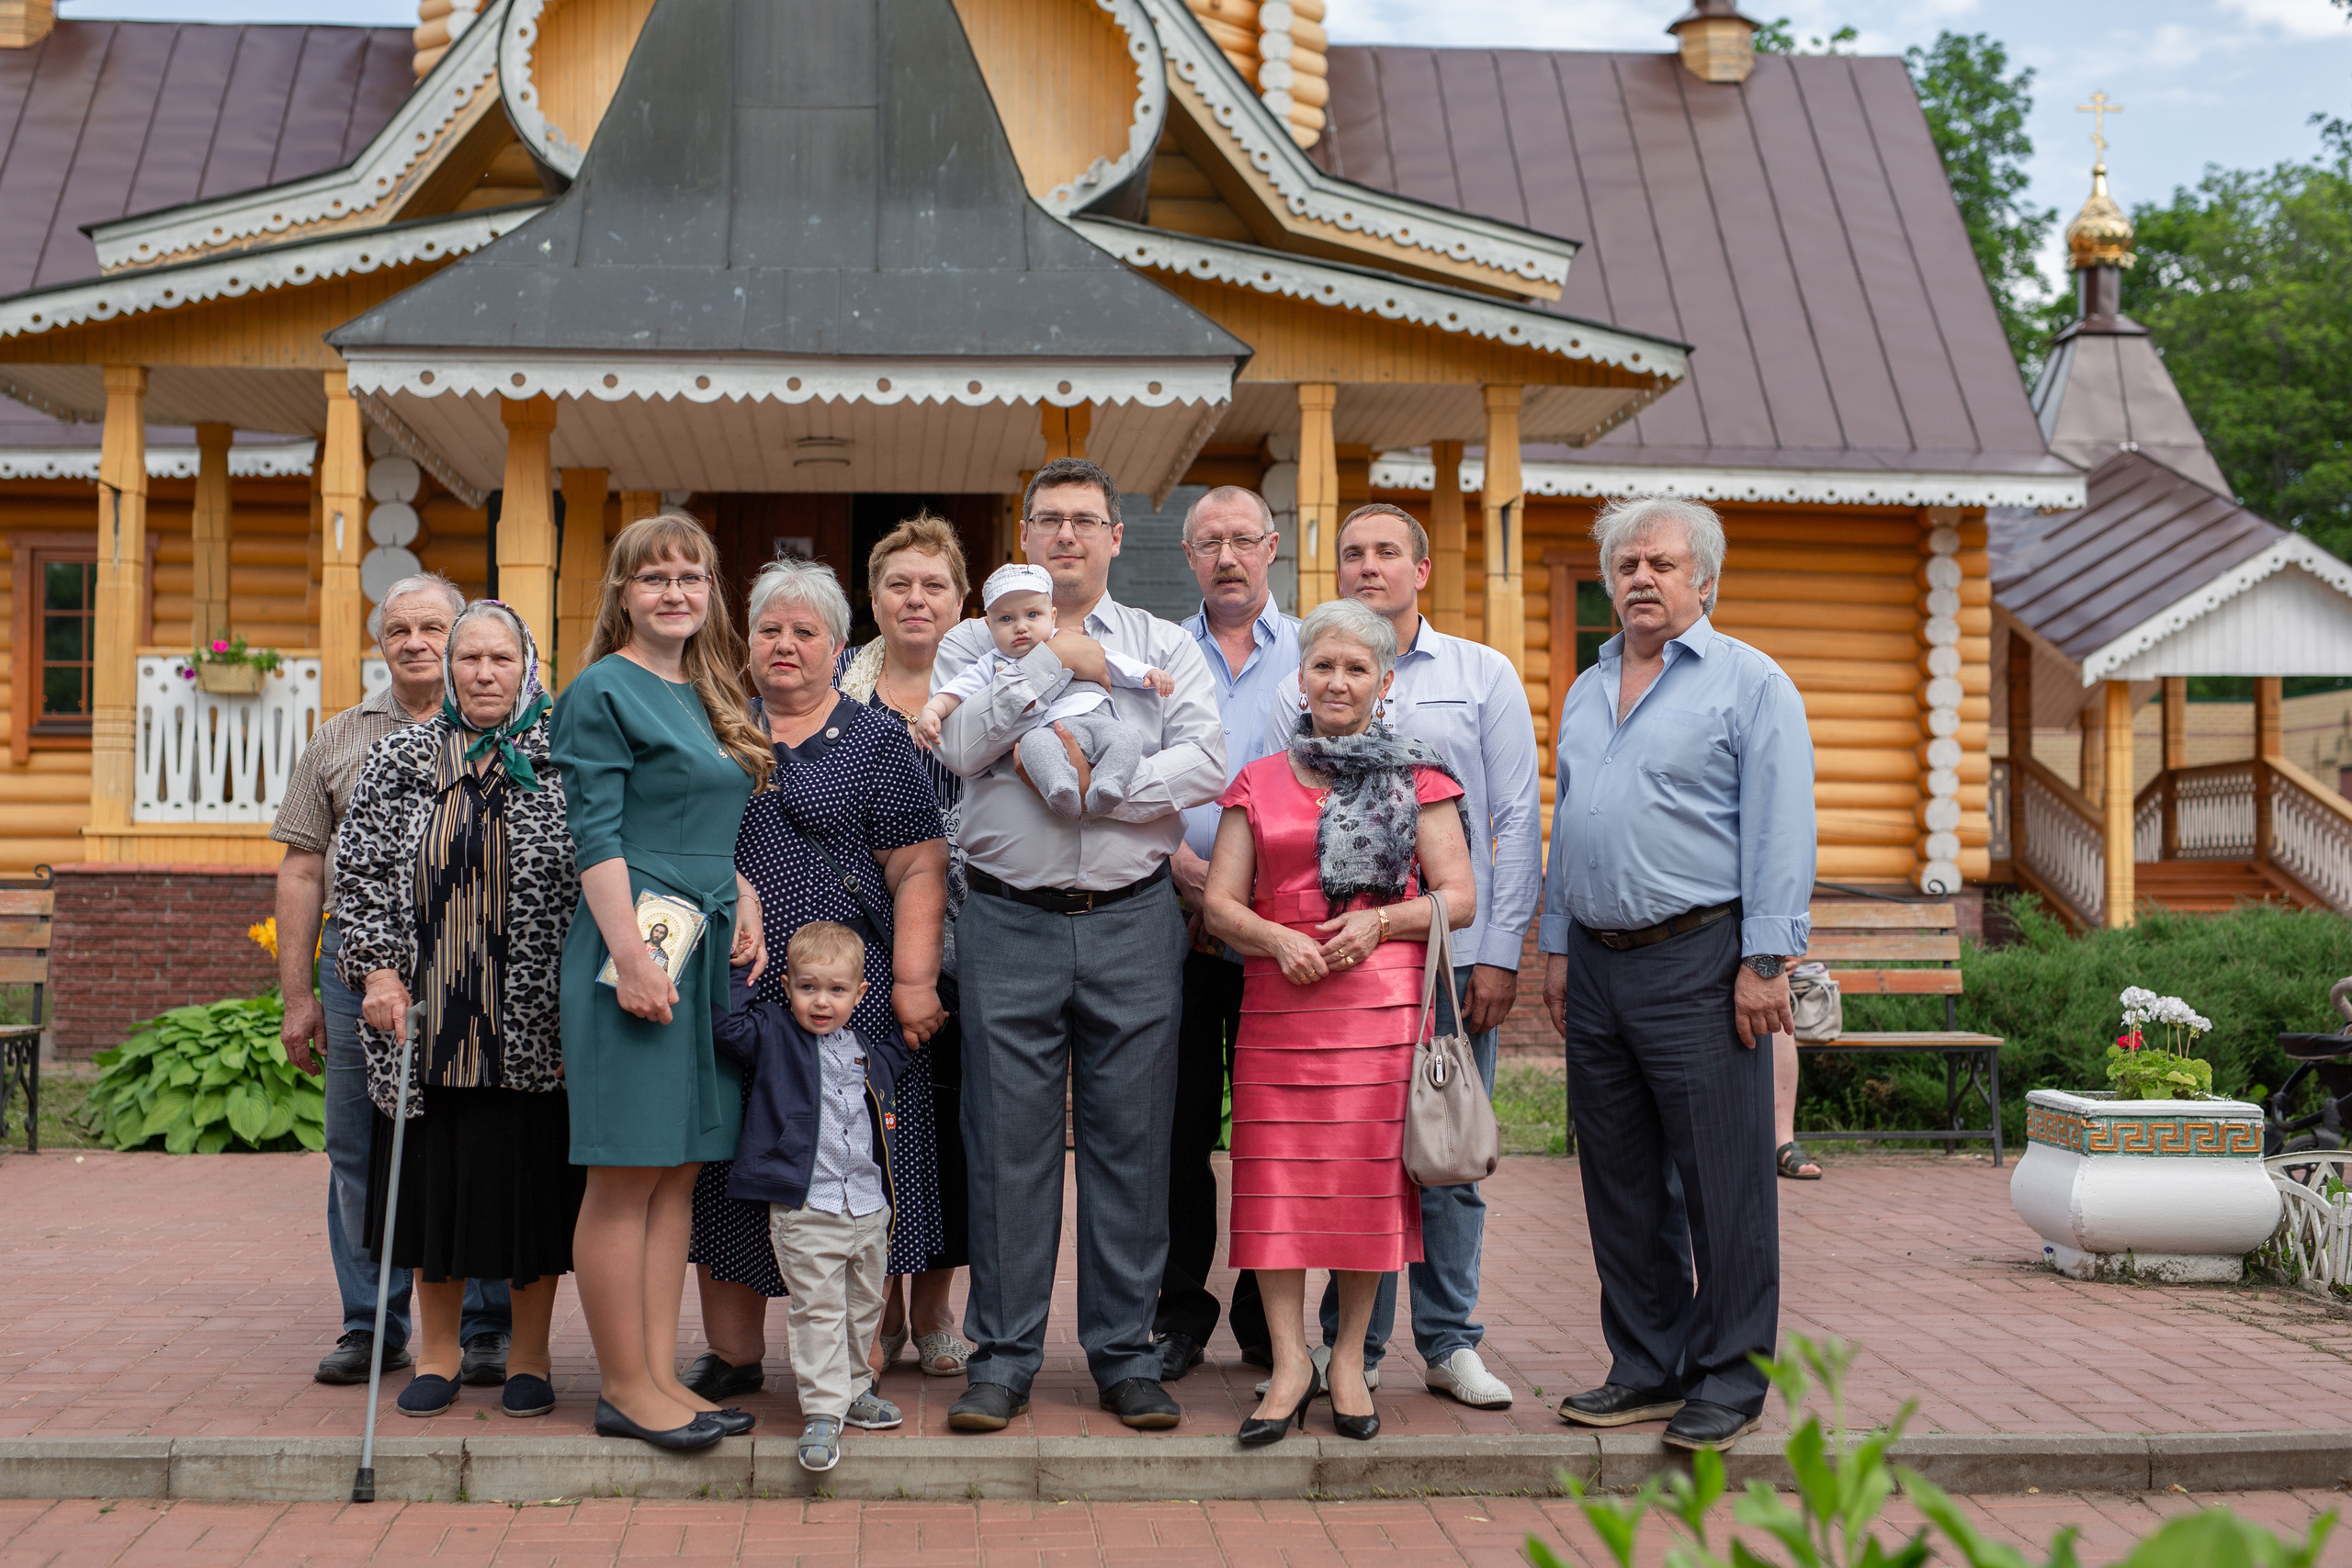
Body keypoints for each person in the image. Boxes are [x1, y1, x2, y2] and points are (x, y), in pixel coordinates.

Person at [932, 456, 1224, 1434]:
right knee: (1006, 1144)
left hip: (1134, 916)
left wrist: (1111, 801)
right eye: (1047, 521)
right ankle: (1004, 1356)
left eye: (1083, 521)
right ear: (1026, 539)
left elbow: (1206, 760)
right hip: (1007, 916)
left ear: (1113, 538)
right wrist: (1053, 666)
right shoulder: (972, 642)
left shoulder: (1158, 645)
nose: (1065, 536)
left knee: (1131, 1142)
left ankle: (1124, 1352)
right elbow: (961, 748)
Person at [1540, 494, 1816, 1454]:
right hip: (1601, 966)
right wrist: (1556, 943)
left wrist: (1765, 962)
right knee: (1617, 1177)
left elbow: (1781, 830)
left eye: (1659, 563)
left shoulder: (1750, 684)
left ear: (1704, 578)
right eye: (1626, 566)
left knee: (1724, 1182)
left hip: (1704, 961)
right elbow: (1569, 822)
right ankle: (1646, 1366)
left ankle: (1729, 1380)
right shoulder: (1588, 685)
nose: (1640, 580)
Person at [1259, 502, 1541, 1410]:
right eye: (1352, 553)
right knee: (1349, 1161)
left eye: (1386, 552)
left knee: (1441, 1147)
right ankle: (1360, 1350)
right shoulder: (1293, 684)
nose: (1368, 564)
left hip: (1445, 959)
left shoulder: (1479, 673)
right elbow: (1278, 820)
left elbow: (1511, 816)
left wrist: (1496, 951)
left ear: (1421, 570)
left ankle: (1451, 1341)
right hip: (1332, 972)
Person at [1203, 598, 1477, 1445]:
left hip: (1383, 1007)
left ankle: (1350, 1358)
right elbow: (1218, 903)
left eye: (1357, 668)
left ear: (1384, 682)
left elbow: (1459, 898)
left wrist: (1382, 921)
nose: (1338, 680)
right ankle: (1288, 1364)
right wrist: (1274, 936)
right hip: (1280, 1005)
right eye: (1324, 665)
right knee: (1276, 1184)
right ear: (1302, 677)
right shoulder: (1257, 779)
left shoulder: (1421, 778)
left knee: (1365, 1189)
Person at [684, 557, 950, 1403]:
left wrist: (912, 981)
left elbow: (918, 864)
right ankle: (733, 1353)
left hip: (854, 997)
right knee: (734, 1159)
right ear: (748, 643)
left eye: (805, 632)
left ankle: (847, 1360)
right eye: (771, 629)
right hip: (741, 988)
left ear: (839, 646)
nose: (786, 645)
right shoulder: (718, 733)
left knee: (851, 1163)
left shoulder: (875, 741)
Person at [551, 512, 775, 1451]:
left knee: (676, 1171)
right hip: (630, 950)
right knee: (624, 1173)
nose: (674, 592)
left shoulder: (707, 689)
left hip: (701, 939)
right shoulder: (603, 690)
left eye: (690, 576)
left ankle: (657, 1377)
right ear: (624, 593)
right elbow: (597, 835)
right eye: (654, 579)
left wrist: (745, 891)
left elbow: (701, 815)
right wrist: (631, 959)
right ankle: (622, 1387)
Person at [332, 601, 584, 1419]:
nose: (483, 672)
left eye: (499, 659)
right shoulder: (402, 757)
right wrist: (376, 973)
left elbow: (599, 882)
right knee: (431, 1193)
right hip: (424, 1022)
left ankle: (530, 1355)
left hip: (533, 1022)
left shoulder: (566, 758)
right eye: (469, 658)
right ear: (448, 669)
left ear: (528, 666)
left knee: (528, 1194)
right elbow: (361, 873)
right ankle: (436, 1354)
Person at [271, 572, 513, 1388]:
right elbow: (304, 868)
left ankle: (485, 1324)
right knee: (357, 1145)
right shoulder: (340, 737)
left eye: (433, 626)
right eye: (398, 629)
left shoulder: (513, 731)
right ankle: (373, 1321)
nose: (416, 641)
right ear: (381, 643)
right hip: (357, 971)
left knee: (478, 1136)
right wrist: (298, 996)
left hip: (477, 967)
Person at [1155, 485, 1299, 1382]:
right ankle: (1176, 1313)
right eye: (1209, 542)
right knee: (1173, 1132)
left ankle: (1263, 1315)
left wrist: (1253, 899)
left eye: (1243, 539)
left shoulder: (1315, 654)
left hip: (1282, 938)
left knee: (1272, 1131)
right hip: (1174, 927)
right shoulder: (1162, 656)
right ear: (1188, 556)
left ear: (1272, 546)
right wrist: (1180, 863)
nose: (1227, 557)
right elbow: (1132, 768)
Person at [834, 513, 972, 1380]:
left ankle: (936, 1310)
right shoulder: (844, 704)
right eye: (899, 584)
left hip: (977, 943)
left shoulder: (997, 688)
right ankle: (878, 1304)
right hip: (867, 943)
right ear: (873, 600)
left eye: (934, 585)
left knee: (956, 1129)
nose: (916, 599)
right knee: (876, 1128)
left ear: (961, 601)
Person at [714, 920, 907, 1472]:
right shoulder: (774, 1032)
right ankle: (822, 1411)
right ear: (787, 985)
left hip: (867, 1207)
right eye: (808, 987)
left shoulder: (863, 1048)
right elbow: (726, 1026)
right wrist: (738, 971)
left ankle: (853, 1390)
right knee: (818, 1309)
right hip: (807, 1208)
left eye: (837, 990)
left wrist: (926, 1019)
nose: (821, 1001)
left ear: (859, 993)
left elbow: (900, 1058)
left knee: (861, 1308)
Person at [915, 563, 1174, 816]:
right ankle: (1060, 792)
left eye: (1032, 615)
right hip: (1046, 729)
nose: (1021, 627)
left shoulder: (1070, 639)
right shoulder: (992, 662)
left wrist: (1147, 673)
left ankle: (1108, 786)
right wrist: (932, 710)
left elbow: (1112, 661)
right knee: (1031, 746)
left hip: (1094, 718)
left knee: (1127, 737)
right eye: (1006, 619)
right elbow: (956, 691)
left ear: (1052, 616)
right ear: (989, 625)